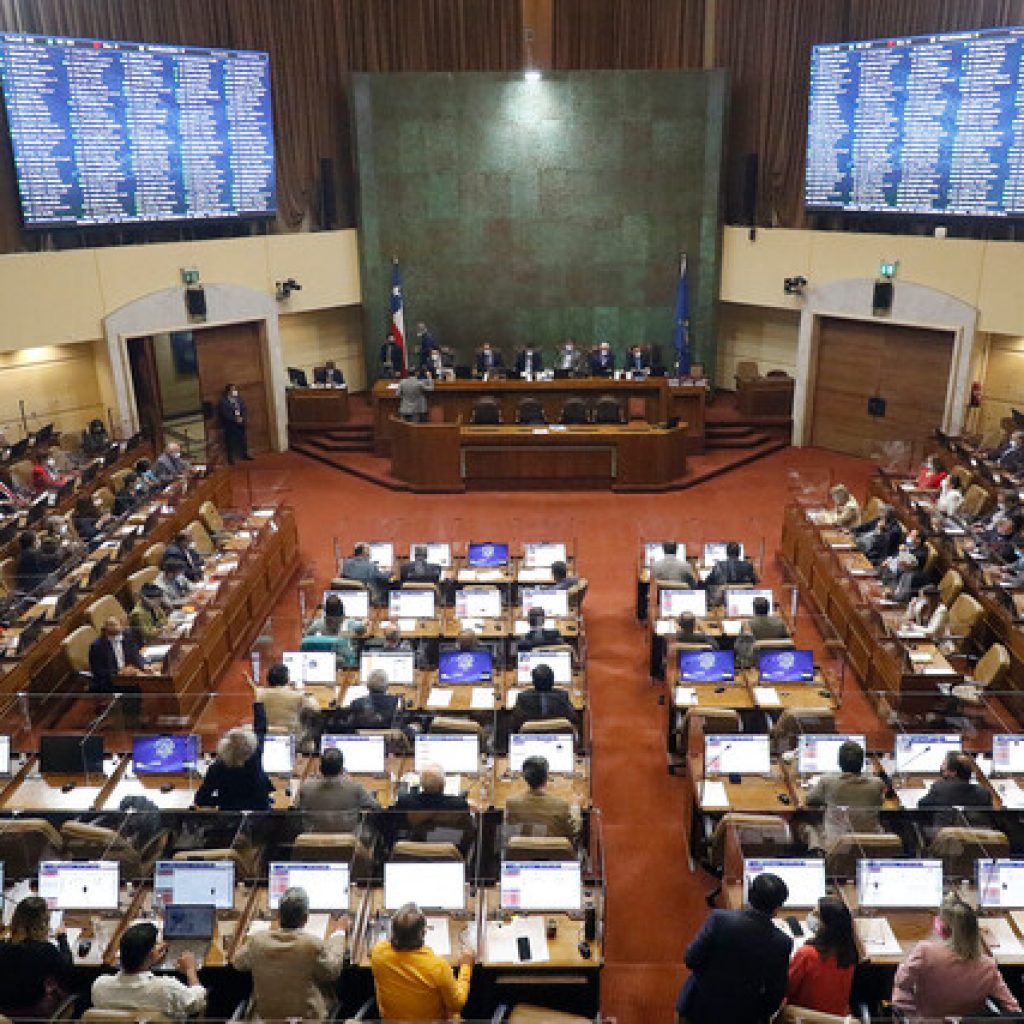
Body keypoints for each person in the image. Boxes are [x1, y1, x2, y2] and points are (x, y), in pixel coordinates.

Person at [677, 872, 791, 1024]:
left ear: (749, 896)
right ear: (777, 908)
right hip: (742, 1017)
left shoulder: (719, 920)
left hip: (698, 1009)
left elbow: (690, 959)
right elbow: (773, 998)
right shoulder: (782, 943)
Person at [893, 894, 1020, 1019]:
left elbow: (902, 982)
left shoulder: (924, 952)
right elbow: (1013, 1007)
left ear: (943, 928)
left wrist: (903, 966)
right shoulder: (988, 966)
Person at [232, 886, 348, 1022]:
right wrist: (339, 932)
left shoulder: (258, 941)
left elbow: (238, 963)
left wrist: (252, 935)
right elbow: (333, 971)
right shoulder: (311, 944)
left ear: (279, 916)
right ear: (305, 918)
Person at [370, 902, 472, 1020]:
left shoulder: (378, 953)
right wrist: (466, 966)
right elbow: (457, 1004)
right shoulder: (437, 967)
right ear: (423, 933)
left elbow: (374, 950)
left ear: (392, 932)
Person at [91, 922, 206, 1022]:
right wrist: (191, 969)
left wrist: (149, 960)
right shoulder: (166, 988)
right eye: (156, 944)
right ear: (151, 953)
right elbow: (197, 1002)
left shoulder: (99, 987)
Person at [802, 739, 885, 849]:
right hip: (870, 842)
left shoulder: (827, 781)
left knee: (803, 822)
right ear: (863, 763)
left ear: (839, 762)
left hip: (836, 844)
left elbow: (810, 800)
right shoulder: (877, 783)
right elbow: (880, 802)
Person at [0, 895, 74, 1018]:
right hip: (35, 1014)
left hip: (4, 1015)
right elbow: (67, 969)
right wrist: (62, 938)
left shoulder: (2, 947)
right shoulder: (46, 950)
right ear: (44, 923)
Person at [785, 896, 858, 1016]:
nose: (811, 916)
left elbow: (786, 989)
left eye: (816, 914)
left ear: (826, 924)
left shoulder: (806, 954)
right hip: (836, 1019)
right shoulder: (849, 952)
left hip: (803, 1017)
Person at [194, 715, 273, 812]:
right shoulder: (255, 759)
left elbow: (200, 800)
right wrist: (258, 703)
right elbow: (261, 728)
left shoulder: (216, 769)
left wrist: (224, 801)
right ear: (251, 747)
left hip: (229, 820)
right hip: (260, 817)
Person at [297, 746, 380, 832]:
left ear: (320, 768)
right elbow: (376, 807)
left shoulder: (306, 787)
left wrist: (313, 779)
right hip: (348, 839)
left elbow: (296, 809)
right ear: (341, 769)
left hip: (314, 838)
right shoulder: (354, 787)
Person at [505, 755, 578, 841]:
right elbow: (572, 833)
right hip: (554, 853)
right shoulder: (562, 805)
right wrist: (576, 810)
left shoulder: (512, 803)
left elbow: (509, 836)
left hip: (523, 853)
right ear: (546, 777)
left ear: (525, 778)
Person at [88, 616, 150, 702]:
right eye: (111, 625)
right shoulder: (97, 646)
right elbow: (97, 671)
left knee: (150, 682)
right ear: (105, 628)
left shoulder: (127, 636)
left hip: (130, 675)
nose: (115, 627)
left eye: (117, 624)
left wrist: (144, 665)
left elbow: (135, 654)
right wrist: (119, 672)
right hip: (111, 681)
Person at [509, 663, 579, 735]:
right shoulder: (562, 696)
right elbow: (574, 719)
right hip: (560, 740)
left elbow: (514, 724)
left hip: (529, 740)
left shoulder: (523, 698)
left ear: (533, 681)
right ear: (552, 681)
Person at [919, 751, 993, 808]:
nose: (941, 767)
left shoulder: (939, 788)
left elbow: (921, 805)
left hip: (946, 828)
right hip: (974, 828)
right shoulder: (984, 793)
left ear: (953, 772)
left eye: (944, 764)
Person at [393, 762, 470, 814]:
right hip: (447, 838)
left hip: (415, 838)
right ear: (443, 784)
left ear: (421, 784)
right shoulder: (458, 804)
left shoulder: (405, 802)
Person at [217, 383, 252, 464]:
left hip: (240, 421)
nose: (235, 391)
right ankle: (230, 458)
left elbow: (243, 408)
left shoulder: (238, 398)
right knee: (230, 441)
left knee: (243, 438)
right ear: (229, 391)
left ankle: (244, 454)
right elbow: (225, 413)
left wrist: (242, 417)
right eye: (233, 389)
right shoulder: (223, 401)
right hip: (230, 424)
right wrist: (235, 419)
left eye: (235, 389)